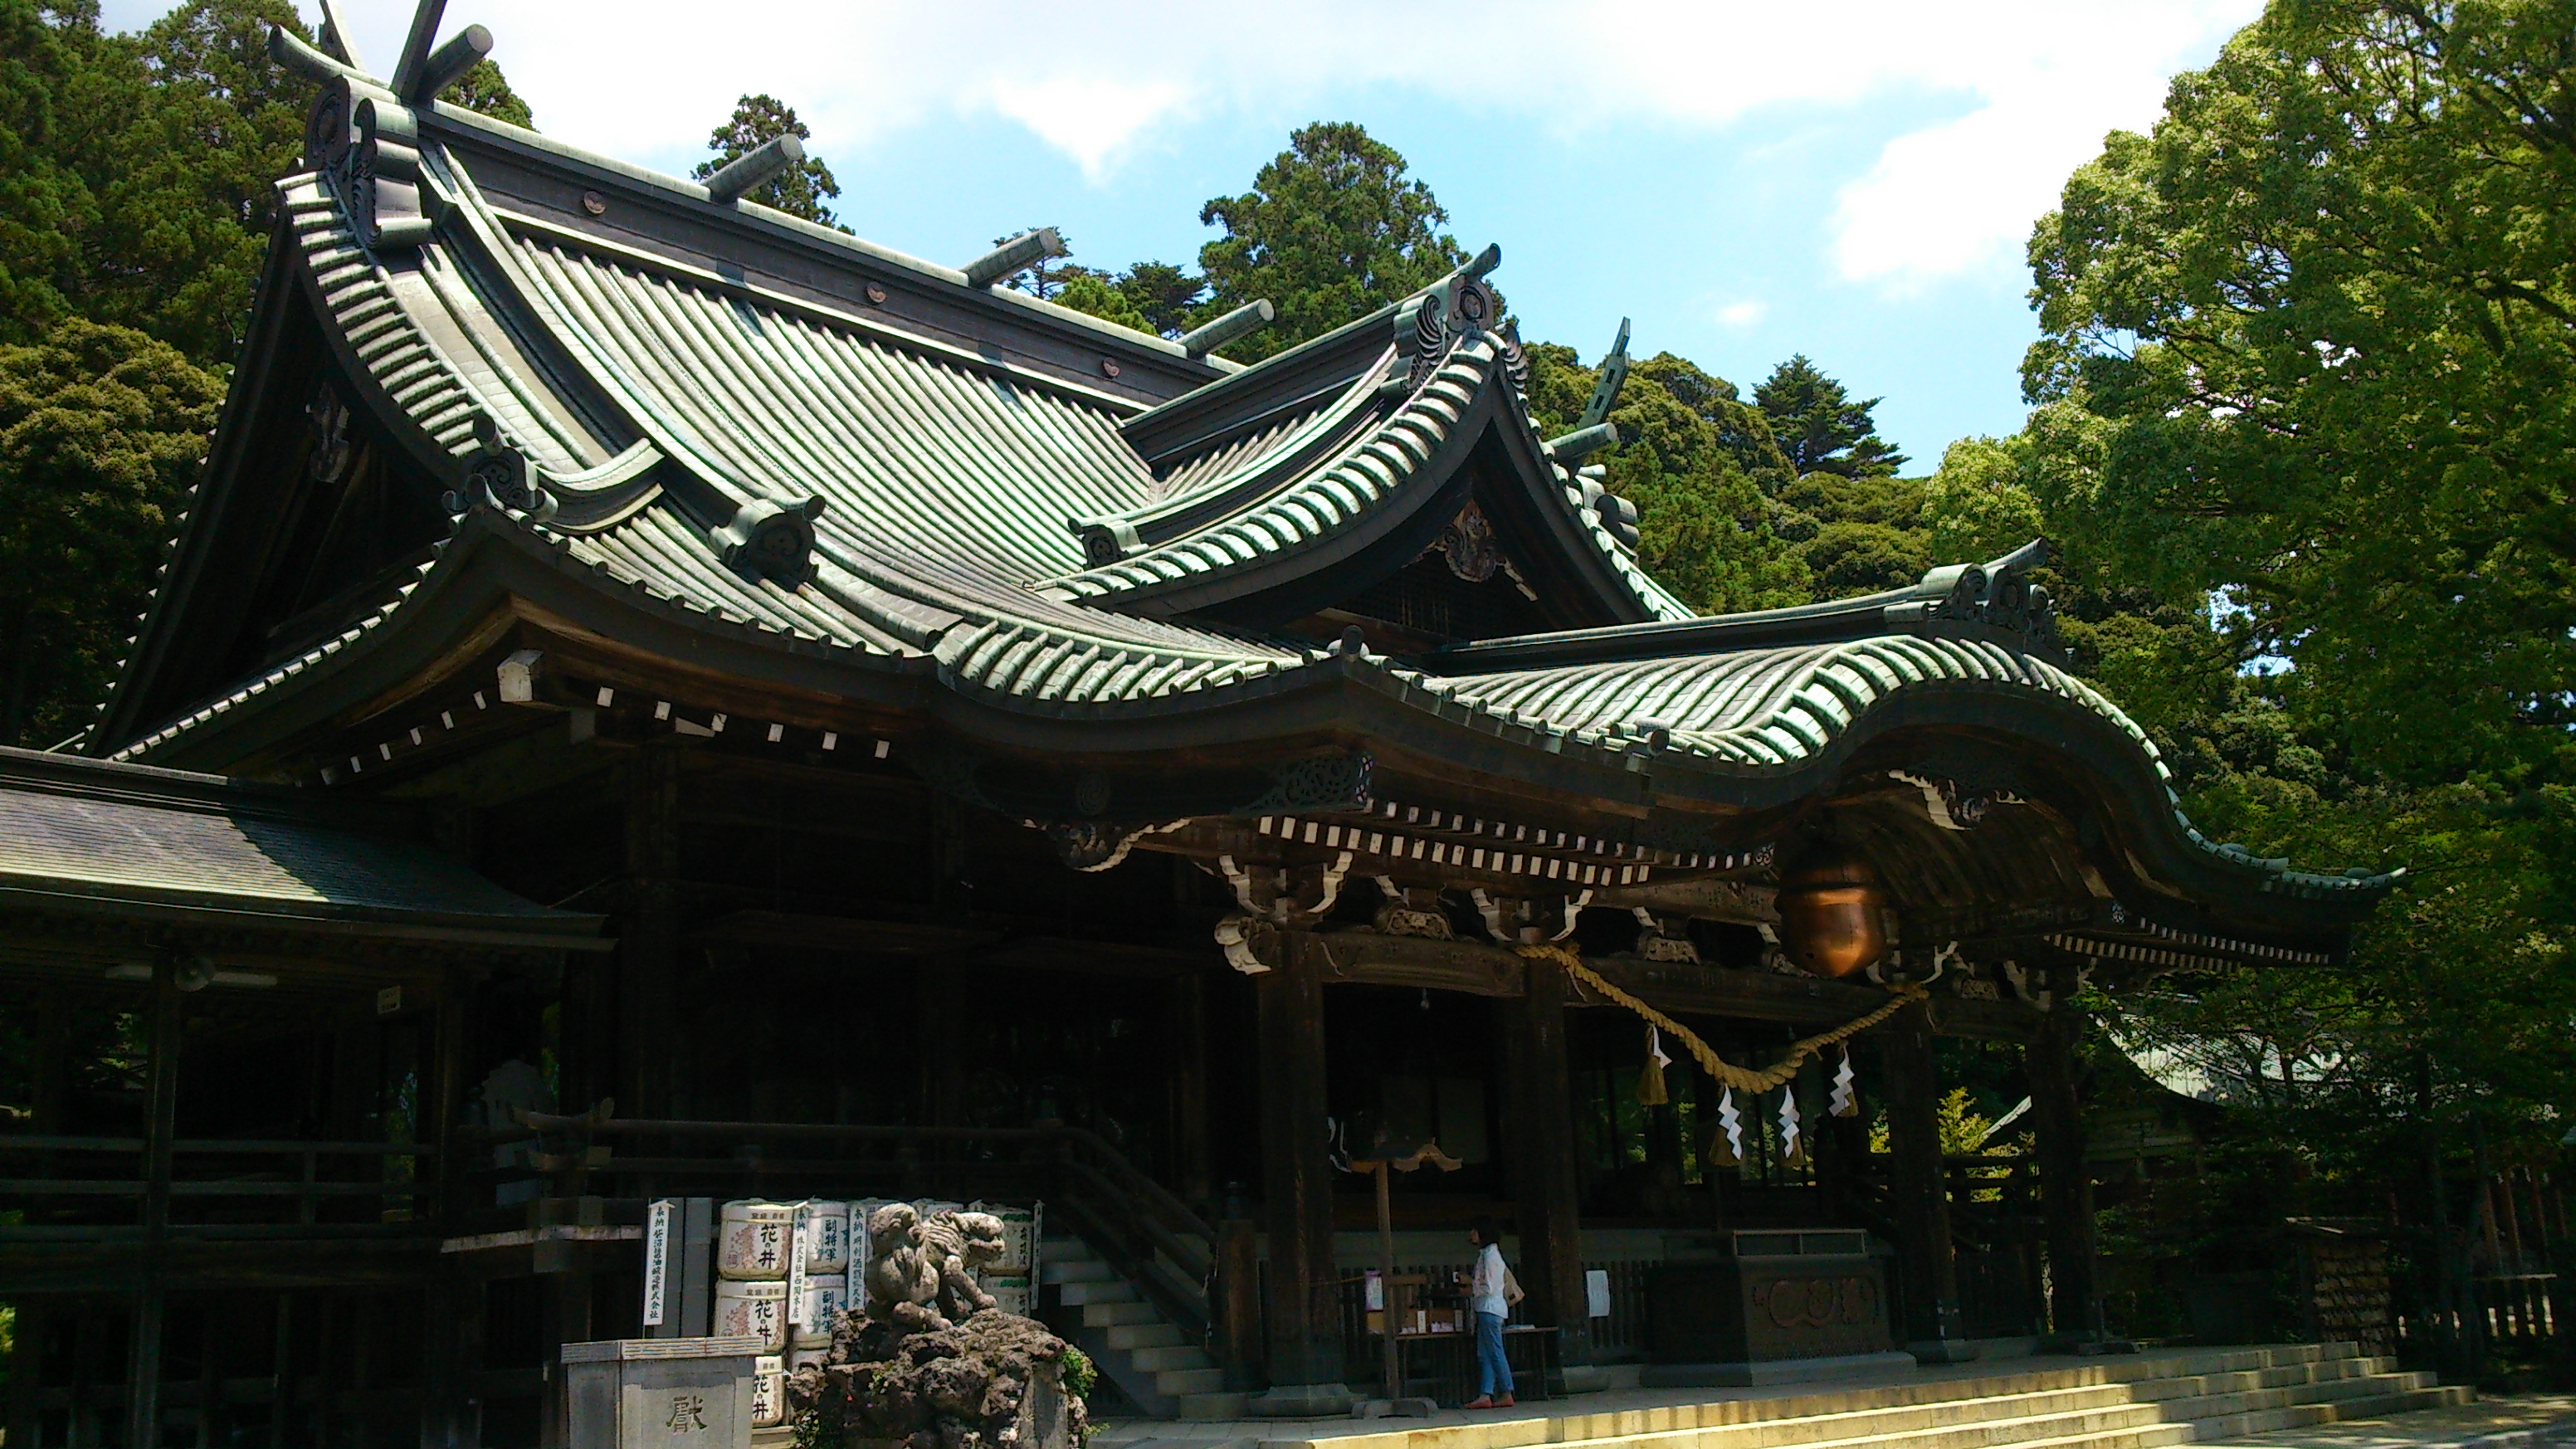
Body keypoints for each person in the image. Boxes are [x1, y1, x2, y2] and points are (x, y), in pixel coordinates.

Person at [1462, 1217, 1520, 1409]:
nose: (1472, 1234)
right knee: (1486, 1352)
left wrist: (1471, 1288)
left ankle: (1507, 1390)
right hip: (1489, 1309)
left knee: (1495, 1351)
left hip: (1489, 1308)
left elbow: (1488, 1287)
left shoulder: (1490, 1257)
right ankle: (1486, 1393)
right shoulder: (1488, 1255)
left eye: (1474, 1231)